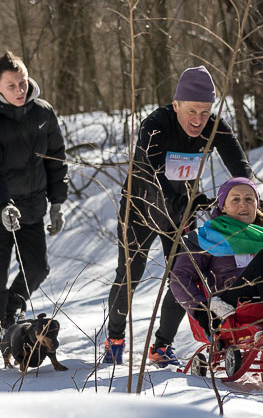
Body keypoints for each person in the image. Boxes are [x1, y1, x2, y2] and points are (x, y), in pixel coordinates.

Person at [104, 66, 252, 368]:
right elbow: (155, 171)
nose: (198, 120)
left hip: (179, 211)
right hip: (140, 208)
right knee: (130, 274)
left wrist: (247, 198)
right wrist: (182, 200)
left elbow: (240, 166)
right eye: (191, 111)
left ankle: (162, 346)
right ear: (176, 106)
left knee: (184, 276)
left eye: (205, 111)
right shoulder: (156, 125)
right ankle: (115, 340)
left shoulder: (214, 126)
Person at [0, 51, 68, 349]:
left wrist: (57, 203)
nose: (20, 90)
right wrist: (2, 206)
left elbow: (56, 159)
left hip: (32, 206)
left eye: (23, 83)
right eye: (11, 86)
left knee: (37, 267)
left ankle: (13, 306)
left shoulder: (43, 112)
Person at [169, 177, 263, 340]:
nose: (243, 204)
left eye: (249, 199)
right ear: (223, 206)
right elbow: (180, 278)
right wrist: (202, 311)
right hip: (234, 303)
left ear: (257, 204)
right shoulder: (206, 236)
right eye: (236, 199)